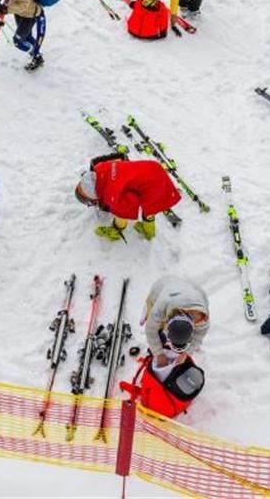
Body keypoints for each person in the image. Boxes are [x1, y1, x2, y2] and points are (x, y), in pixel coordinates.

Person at [127, 275, 208, 418]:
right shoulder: (161, 307)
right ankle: (148, 311)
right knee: (157, 330)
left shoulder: (202, 318)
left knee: (180, 344)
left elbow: (199, 335)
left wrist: (186, 353)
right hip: (163, 289)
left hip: (192, 290)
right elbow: (151, 330)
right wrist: (158, 353)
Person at [74, 153, 181, 241]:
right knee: (150, 203)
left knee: (148, 205)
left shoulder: (111, 194)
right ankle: (148, 229)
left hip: (153, 184)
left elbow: (128, 205)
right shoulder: (101, 168)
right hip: (152, 168)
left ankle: (121, 231)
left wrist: (117, 217)